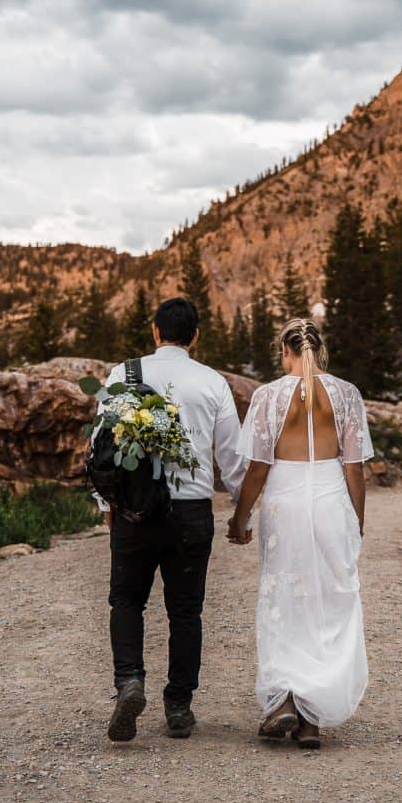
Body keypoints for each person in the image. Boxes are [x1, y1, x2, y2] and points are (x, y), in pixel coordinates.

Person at [91, 297, 246, 742]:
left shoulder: (123, 375)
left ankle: (130, 681)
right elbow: (230, 458)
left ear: (155, 332)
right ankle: (178, 706)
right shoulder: (213, 382)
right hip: (191, 513)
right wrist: (241, 512)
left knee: (126, 601)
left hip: (133, 511)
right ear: (195, 336)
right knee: (185, 613)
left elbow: (101, 449)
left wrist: (106, 506)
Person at [228, 317, 373, 749]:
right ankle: (311, 719)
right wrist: (357, 523)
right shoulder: (347, 395)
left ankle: (285, 703)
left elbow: (257, 467)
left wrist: (240, 517)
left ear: (284, 352)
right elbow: (355, 469)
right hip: (331, 499)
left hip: (284, 502)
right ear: (320, 350)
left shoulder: (268, 397)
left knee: (283, 600)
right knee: (326, 602)